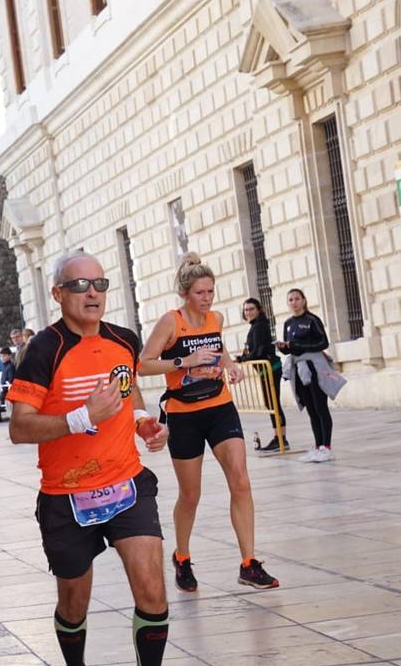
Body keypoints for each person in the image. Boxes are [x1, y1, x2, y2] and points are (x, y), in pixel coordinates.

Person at [7, 250, 196, 666]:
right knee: (74, 603)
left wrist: (143, 424)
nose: (92, 293)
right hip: (67, 497)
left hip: (126, 483)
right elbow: (19, 427)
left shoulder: (124, 340)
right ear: (58, 295)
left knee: (152, 588)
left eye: (99, 284)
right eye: (79, 285)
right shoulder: (44, 351)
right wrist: (78, 418)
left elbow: (127, 392)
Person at [139, 253, 277, 592]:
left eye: (211, 292)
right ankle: (182, 557)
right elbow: (143, 364)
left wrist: (229, 364)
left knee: (241, 481)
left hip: (219, 407)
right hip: (184, 415)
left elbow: (218, 347)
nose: (207, 298)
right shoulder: (171, 322)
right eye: (200, 292)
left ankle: (249, 563)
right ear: (186, 293)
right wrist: (184, 360)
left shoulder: (215, 318)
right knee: (190, 494)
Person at [277, 289, 336, 463]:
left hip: (314, 367)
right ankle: (318, 446)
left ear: (304, 300)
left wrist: (299, 345)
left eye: (297, 299)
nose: (293, 302)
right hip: (298, 368)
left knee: (320, 407)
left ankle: (327, 447)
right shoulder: (288, 323)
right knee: (310, 408)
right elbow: (291, 347)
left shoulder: (312, 320)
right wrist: (284, 347)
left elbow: (323, 342)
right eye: (290, 300)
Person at [236, 298, 289, 452]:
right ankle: (279, 437)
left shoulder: (259, 326)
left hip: (270, 369)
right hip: (266, 370)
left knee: (273, 404)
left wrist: (243, 359)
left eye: (252, 309)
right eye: (246, 310)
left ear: (259, 310)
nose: (249, 312)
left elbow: (258, 351)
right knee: (271, 403)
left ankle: (281, 439)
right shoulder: (256, 326)